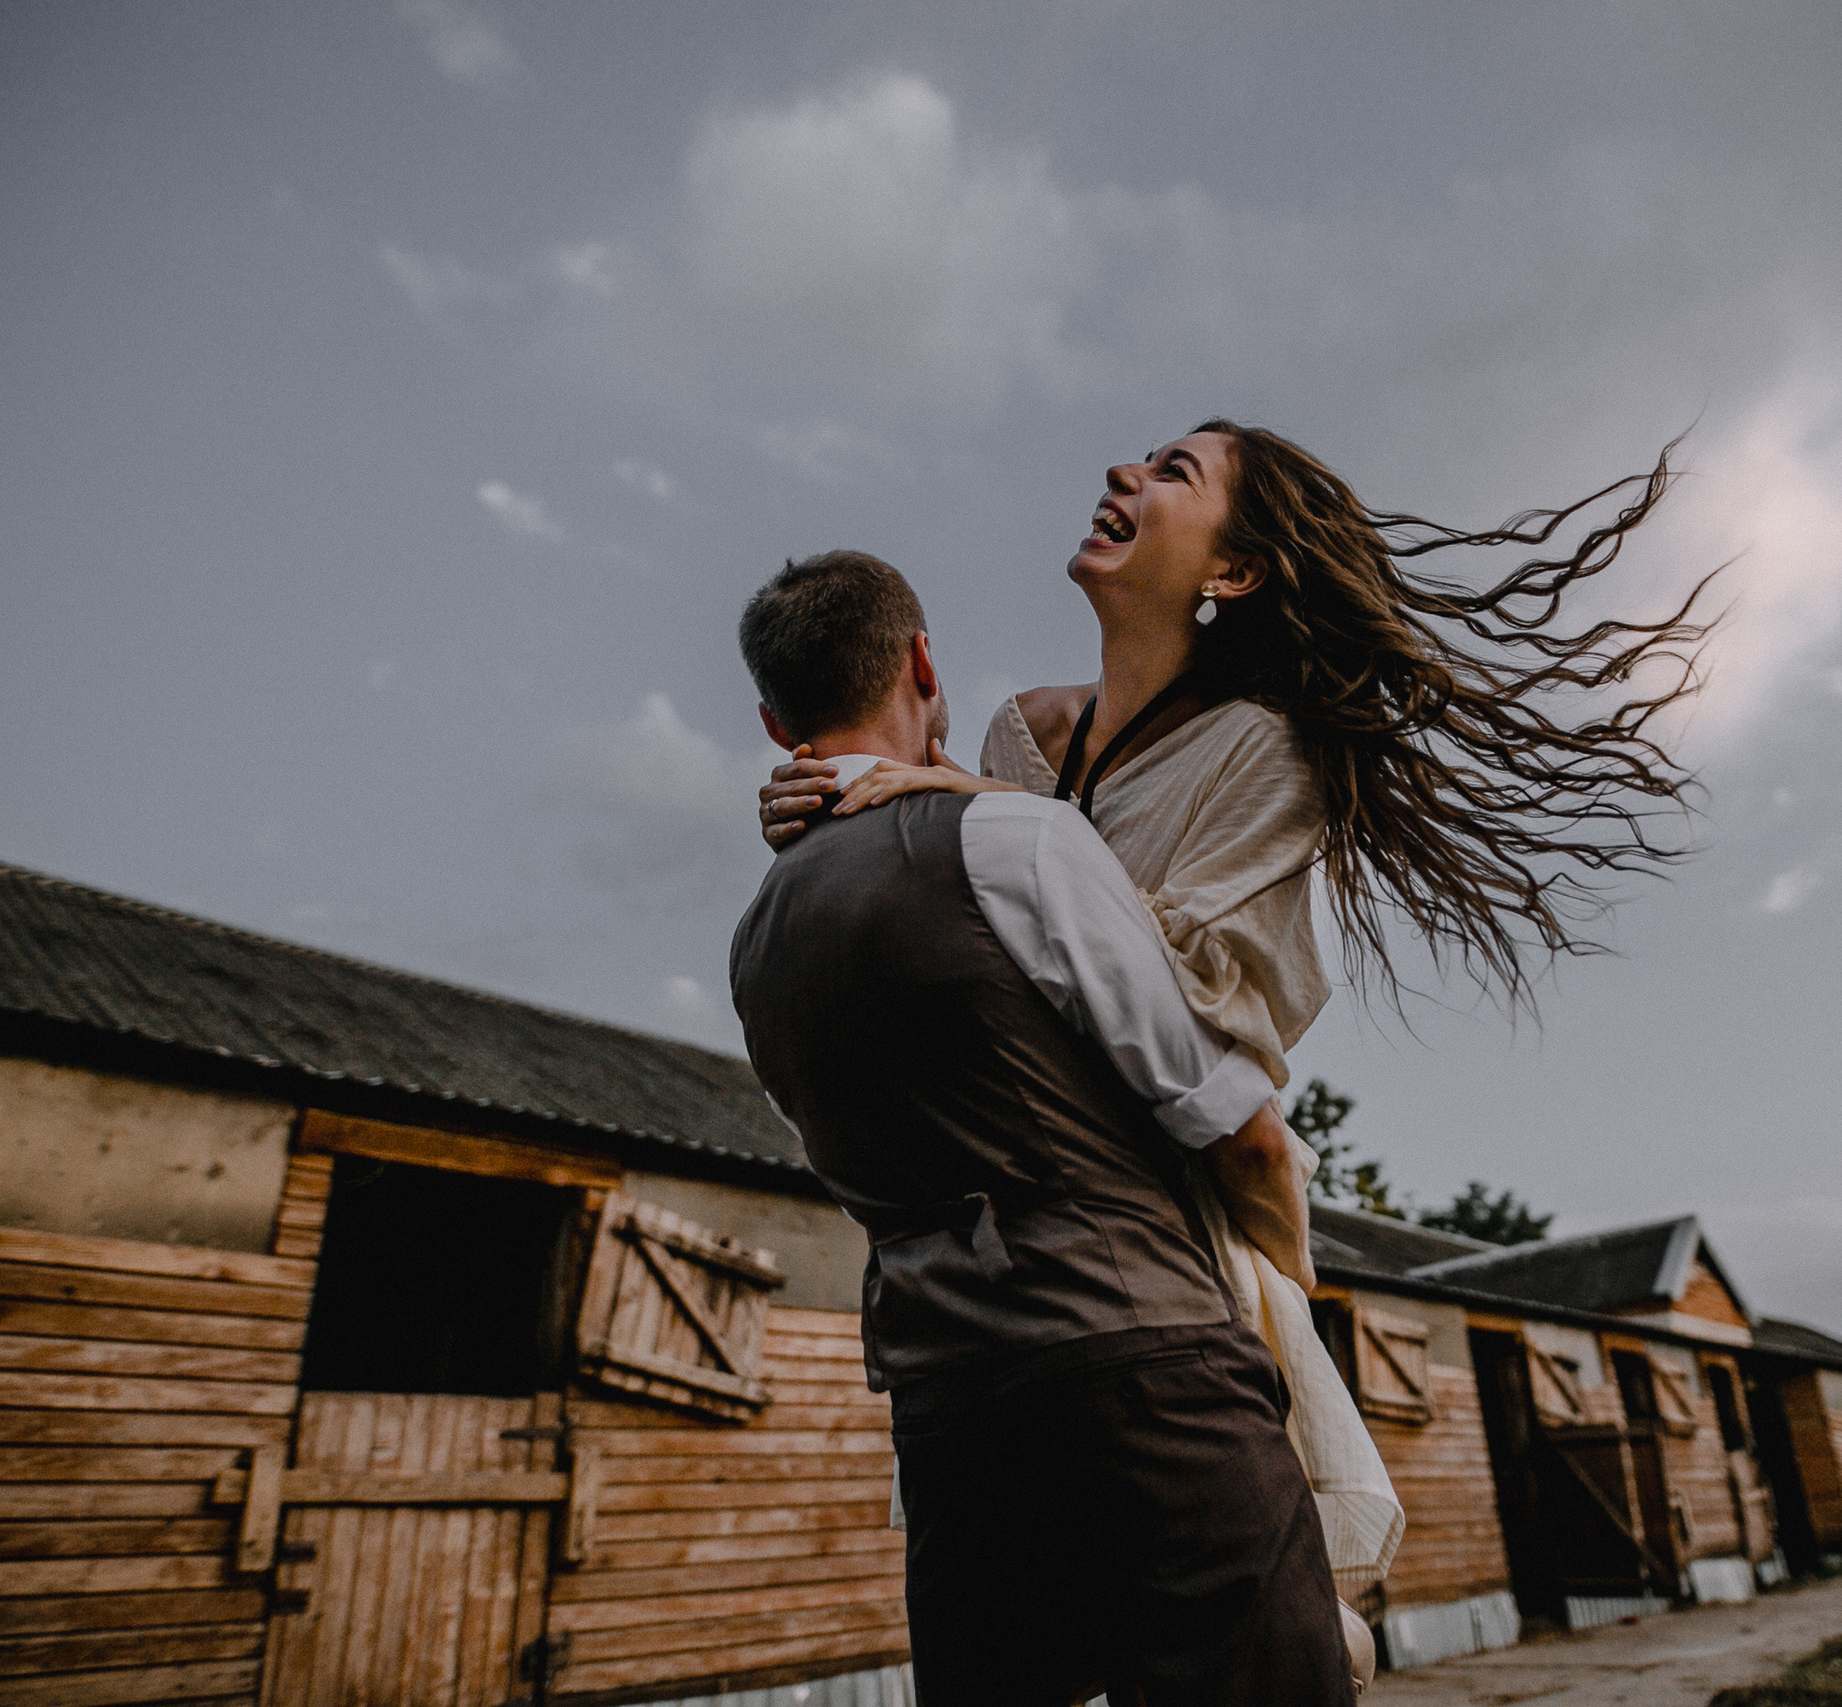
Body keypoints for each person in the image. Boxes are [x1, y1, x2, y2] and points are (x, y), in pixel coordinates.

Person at [759, 421, 1708, 1608]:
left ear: (1237, 571)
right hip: (1011, 1231)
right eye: (1140, 459)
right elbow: (975, 952)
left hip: (1169, 1224)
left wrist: (976, 814)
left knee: (1234, 1628)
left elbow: (1175, 989)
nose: (1122, 471)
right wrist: (842, 813)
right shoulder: (1018, 734)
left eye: (1174, 472)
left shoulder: (1265, 752)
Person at [729, 550, 1356, 1706]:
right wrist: (1282, 1285)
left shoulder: (758, 939)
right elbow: (1240, 1133)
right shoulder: (1020, 840)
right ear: (922, 662)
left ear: (776, 724)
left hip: (947, 1411)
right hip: (1143, 1370)